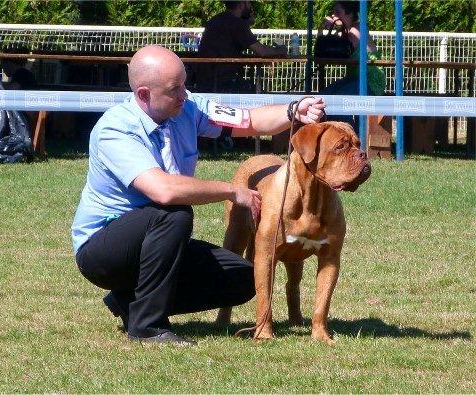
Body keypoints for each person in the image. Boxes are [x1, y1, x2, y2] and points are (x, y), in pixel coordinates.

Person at [71, 45, 326, 346]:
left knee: (244, 279)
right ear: (143, 95)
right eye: (174, 89)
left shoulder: (188, 107)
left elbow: (248, 121)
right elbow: (163, 191)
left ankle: (129, 301)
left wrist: (292, 111)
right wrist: (232, 191)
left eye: (184, 84)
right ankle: (147, 326)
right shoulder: (115, 129)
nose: (184, 94)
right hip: (102, 249)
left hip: (155, 240)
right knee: (174, 213)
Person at [317, 1, 385, 126]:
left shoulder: (356, 30)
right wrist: (322, 29)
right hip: (354, 78)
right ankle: (335, 133)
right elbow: (323, 51)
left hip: (370, 81)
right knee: (323, 97)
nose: (333, 16)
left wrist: (327, 29)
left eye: (337, 12)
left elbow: (339, 51)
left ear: (349, 14)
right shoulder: (346, 31)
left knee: (338, 100)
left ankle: (349, 137)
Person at [196, 0, 287, 93]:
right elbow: (262, 51)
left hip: (205, 80)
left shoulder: (218, 19)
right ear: (241, 5)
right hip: (224, 82)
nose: (251, 7)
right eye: (248, 3)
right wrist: (280, 50)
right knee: (258, 93)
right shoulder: (236, 23)